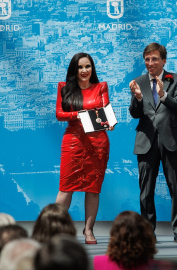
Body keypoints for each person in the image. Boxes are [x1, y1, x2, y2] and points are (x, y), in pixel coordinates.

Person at [129, 42, 177, 243]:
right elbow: (134, 114)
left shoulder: (176, 79)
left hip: (171, 140)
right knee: (146, 189)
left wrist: (164, 95)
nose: (150, 63)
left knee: (176, 187)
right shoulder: (138, 81)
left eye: (154, 59)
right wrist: (137, 98)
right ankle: (147, 232)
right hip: (146, 141)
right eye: (147, 59)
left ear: (163, 60)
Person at [55, 52, 114, 244]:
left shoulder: (101, 87)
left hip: (97, 143)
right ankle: (55, 229)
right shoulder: (64, 88)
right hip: (73, 141)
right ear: (74, 69)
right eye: (80, 67)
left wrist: (110, 122)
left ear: (92, 68)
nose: (84, 71)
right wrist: (78, 115)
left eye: (87, 66)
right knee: (65, 188)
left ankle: (89, 230)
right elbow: (59, 113)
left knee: (93, 188)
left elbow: (106, 111)